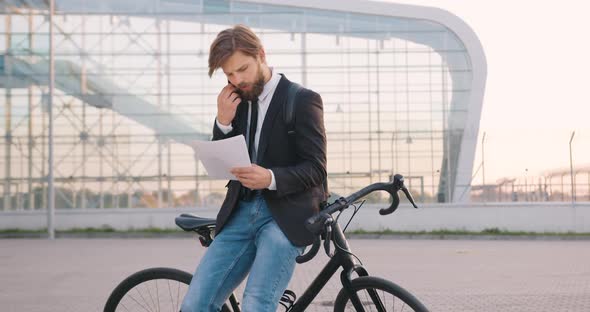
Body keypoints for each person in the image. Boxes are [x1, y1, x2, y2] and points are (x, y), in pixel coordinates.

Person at [181, 25, 328, 312]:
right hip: (241, 212)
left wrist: (270, 177)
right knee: (195, 304)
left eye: (243, 69)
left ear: (261, 55)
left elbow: (316, 169)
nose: (237, 80)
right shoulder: (238, 101)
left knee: (256, 304)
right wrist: (223, 121)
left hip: (285, 217)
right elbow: (225, 159)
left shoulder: (301, 100)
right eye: (229, 74)